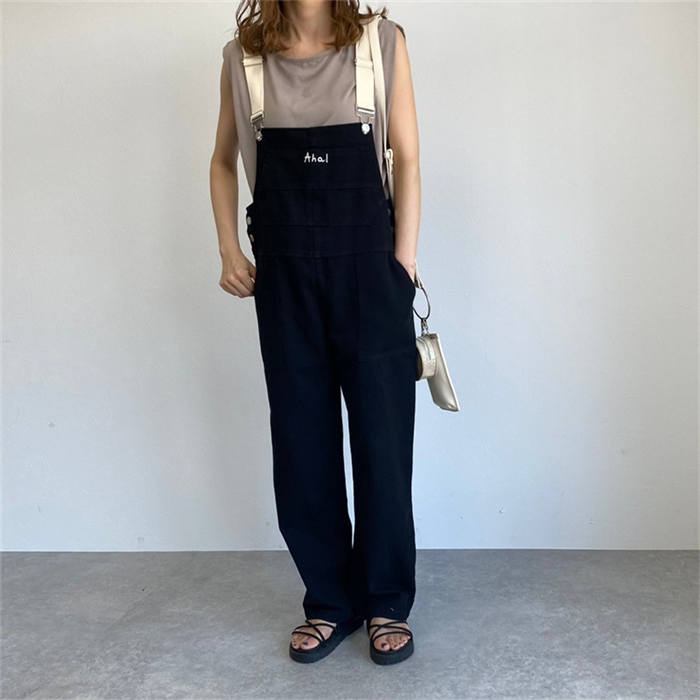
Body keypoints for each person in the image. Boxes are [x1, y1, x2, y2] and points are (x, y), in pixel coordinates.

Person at [210, 0, 421, 665]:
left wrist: (403, 266)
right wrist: (228, 249)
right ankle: (330, 601)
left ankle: (386, 599)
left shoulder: (381, 42)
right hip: (285, 278)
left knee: (382, 443)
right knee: (302, 442)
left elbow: (407, 157)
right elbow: (222, 162)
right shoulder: (243, 58)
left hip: (371, 274)